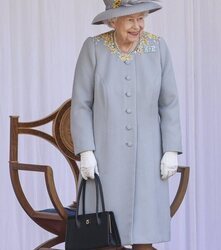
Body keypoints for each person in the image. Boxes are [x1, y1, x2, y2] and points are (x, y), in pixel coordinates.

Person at [70, 1, 182, 249]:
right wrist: (85, 151)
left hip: (148, 160)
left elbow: (169, 103)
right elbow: (81, 104)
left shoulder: (158, 47)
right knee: (105, 242)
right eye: (130, 19)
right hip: (104, 159)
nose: (138, 26)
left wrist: (171, 149)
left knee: (144, 239)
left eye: (141, 18)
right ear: (112, 21)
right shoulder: (94, 49)